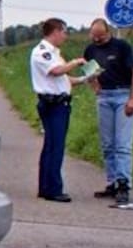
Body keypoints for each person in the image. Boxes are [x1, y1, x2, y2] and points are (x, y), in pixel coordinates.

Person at [30, 17, 91, 203]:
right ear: (55, 31)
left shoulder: (55, 53)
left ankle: (46, 186)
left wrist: (83, 79)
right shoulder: (43, 52)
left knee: (52, 145)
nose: (65, 36)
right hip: (52, 104)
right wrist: (75, 62)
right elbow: (56, 71)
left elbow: (63, 79)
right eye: (64, 32)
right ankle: (53, 188)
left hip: (60, 102)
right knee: (55, 146)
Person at [84, 18, 133, 205]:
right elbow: (89, 69)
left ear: (108, 33)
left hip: (122, 94)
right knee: (107, 144)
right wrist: (94, 86)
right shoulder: (90, 49)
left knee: (122, 144)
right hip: (104, 97)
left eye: (100, 36)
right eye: (94, 36)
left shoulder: (122, 47)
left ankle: (124, 184)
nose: (97, 39)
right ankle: (112, 182)